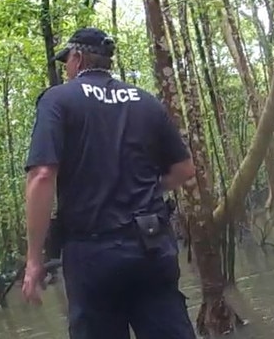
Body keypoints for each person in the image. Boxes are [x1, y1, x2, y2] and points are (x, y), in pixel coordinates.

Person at [21, 27, 197, 339]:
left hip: (93, 255)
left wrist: (34, 259)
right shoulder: (146, 101)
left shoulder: (58, 100)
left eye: (67, 62)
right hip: (152, 248)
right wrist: (150, 190)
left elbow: (42, 175)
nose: (66, 68)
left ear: (76, 58)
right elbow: (184, 169)